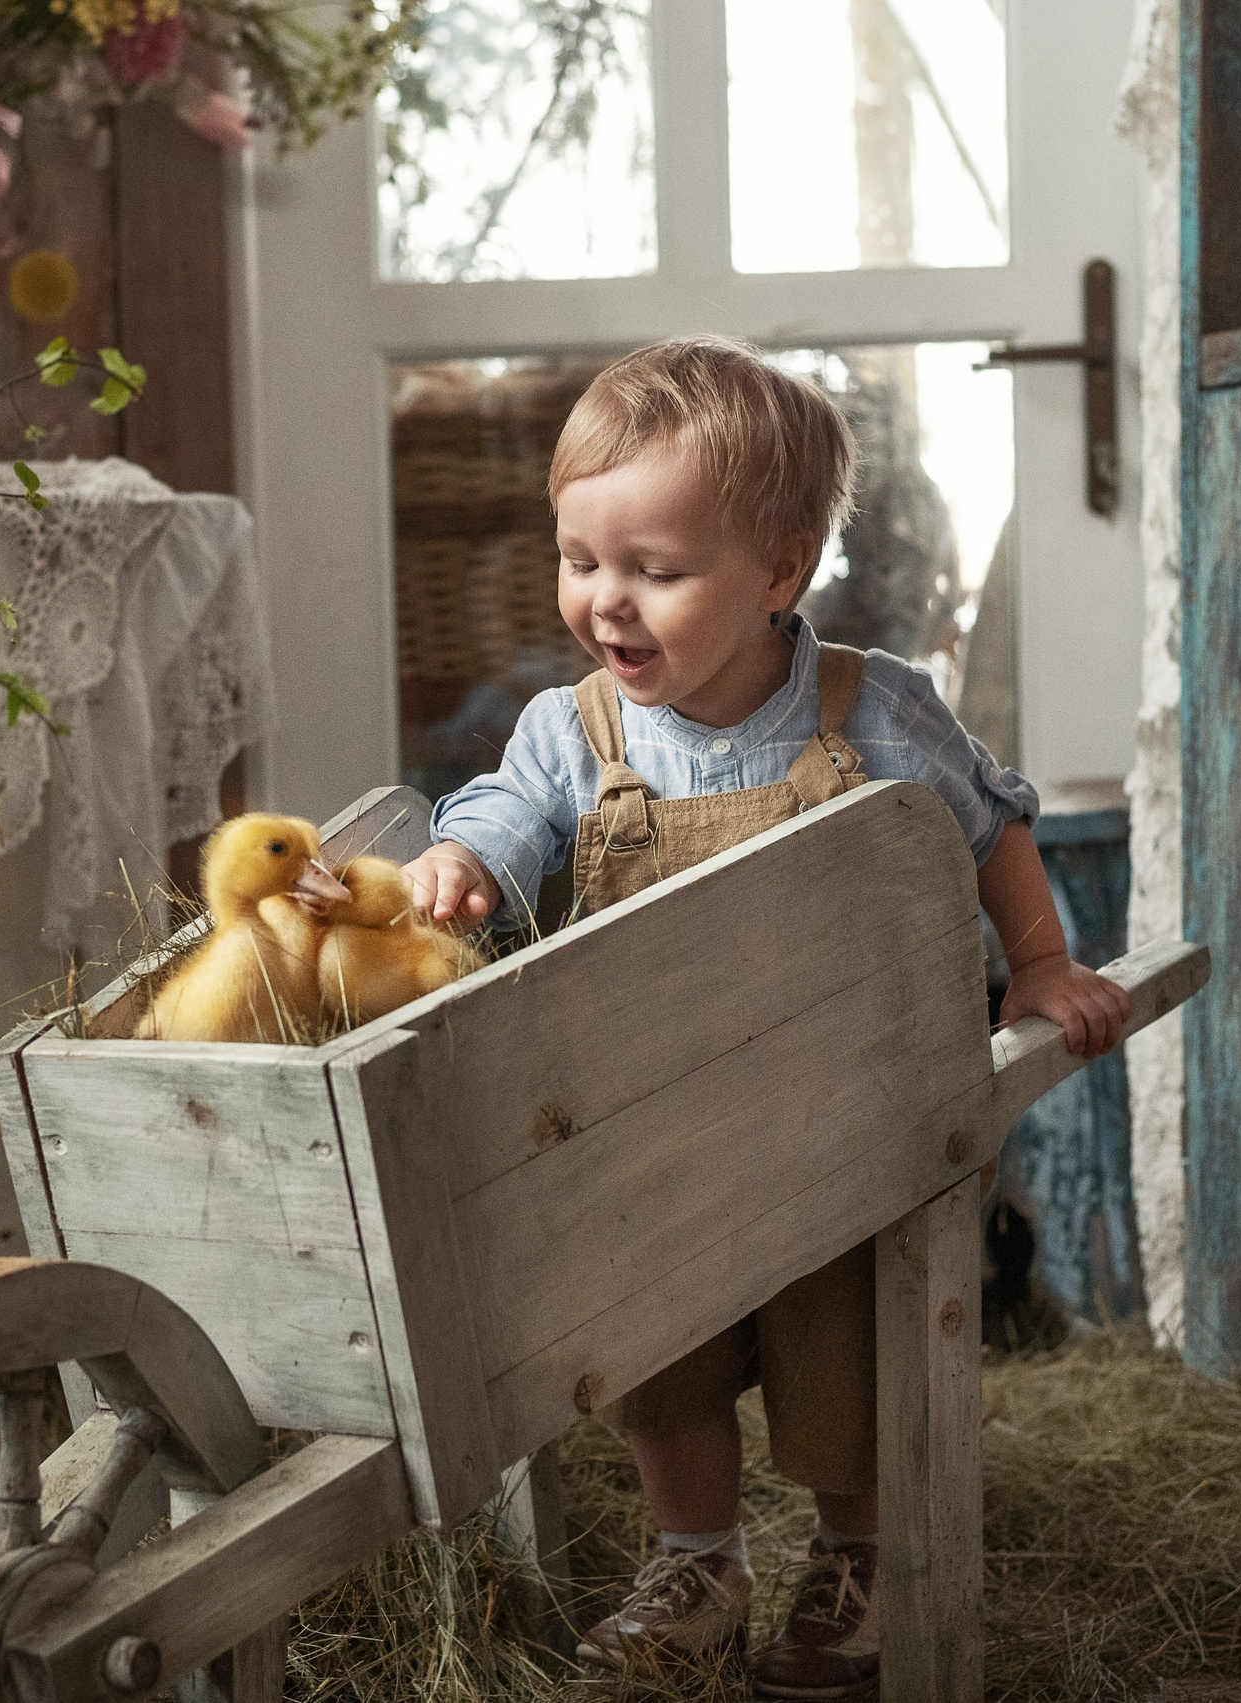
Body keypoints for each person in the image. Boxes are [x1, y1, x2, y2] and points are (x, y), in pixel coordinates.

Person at [402, 335, 1129, 1700]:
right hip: (652, 1127)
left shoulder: (873, 711)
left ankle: (856, 1553)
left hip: (839, 1129)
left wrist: (1038, 963)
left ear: (780, 574)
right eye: (579, 560)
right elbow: (504, 807)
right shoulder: (574, 733)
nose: (605, 603)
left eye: (655, 572)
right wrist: (465, 861)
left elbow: (994, 827)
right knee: (662, 1367)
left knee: (842, 1361)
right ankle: (699, 1564)